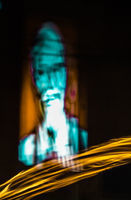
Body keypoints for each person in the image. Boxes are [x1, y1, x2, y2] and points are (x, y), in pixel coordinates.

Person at [18, 23, 86, 167]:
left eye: (56, 69)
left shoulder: (82, 140)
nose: (50, 82)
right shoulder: (27, 149)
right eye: (42, 71)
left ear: (67, 73)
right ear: (34, 78)